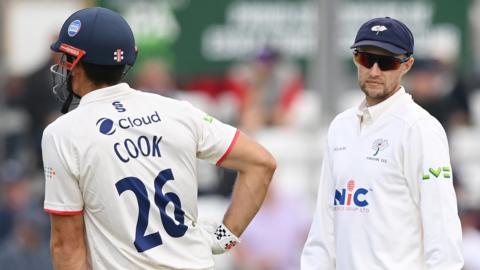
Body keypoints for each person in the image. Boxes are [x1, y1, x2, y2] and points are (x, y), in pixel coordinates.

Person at [42, 7, 276, 270]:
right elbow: (261, 163)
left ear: (75, 62)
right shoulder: (178, 110)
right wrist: (224, 239)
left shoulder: (62, 133)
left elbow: (67, 246)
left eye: (65, 58)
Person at [301, 17, 463, 269]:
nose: (374, 71)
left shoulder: (420, 129)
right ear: (356, 58)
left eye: (386, 62)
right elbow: (324, 225)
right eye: (366, 58)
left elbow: (443, 232)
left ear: (406, 65)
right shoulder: (340, 127)